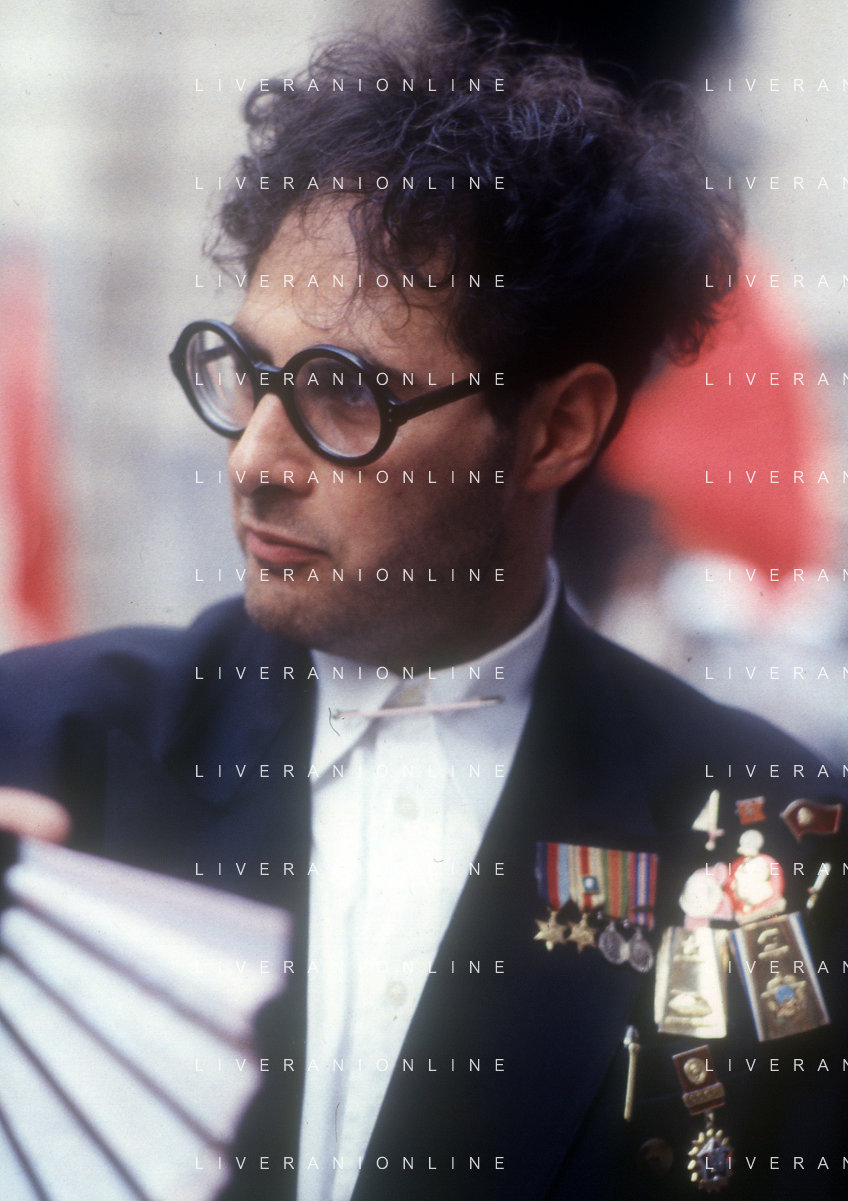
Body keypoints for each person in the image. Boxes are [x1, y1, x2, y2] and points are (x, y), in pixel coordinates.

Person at [0, 20, 845, 1201]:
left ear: (554, 430)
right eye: (247, 371)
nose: (254, 458)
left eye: (343, 394)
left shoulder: (755, 835)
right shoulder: (36, 742)